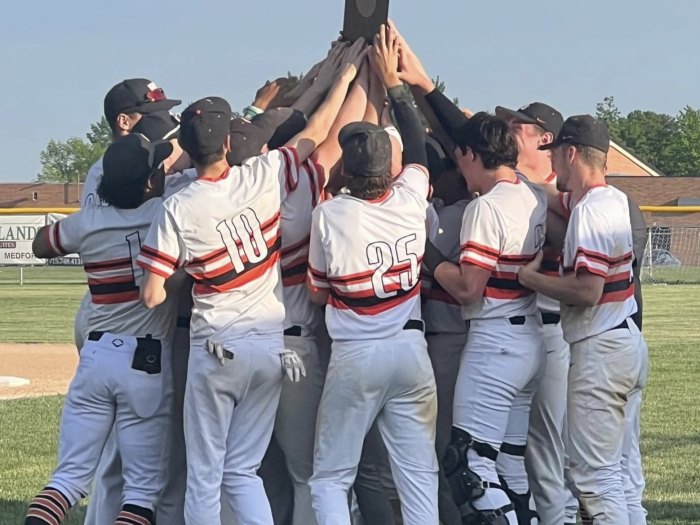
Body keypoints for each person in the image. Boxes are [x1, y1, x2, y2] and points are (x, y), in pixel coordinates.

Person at [137, 40, 365, 525]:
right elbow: (318, 129)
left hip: (216, 346)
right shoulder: (262, 175)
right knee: (243, 471)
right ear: (225, 145)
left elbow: (152, 293)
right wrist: (344, 78)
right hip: (269, 347)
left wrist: (195, 269)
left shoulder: (177, 203)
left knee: (207, 474)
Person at [307, 25, 439, 525]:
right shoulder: (409, 198)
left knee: (329, 477)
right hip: (410, 350)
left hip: (357, 354)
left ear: (349, 170)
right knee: (417, 473)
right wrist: (394, 85)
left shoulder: (331, 215)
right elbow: (420, 155)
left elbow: (318, 291)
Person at [25, 133, 187, 525]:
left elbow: (40, 245)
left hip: (96, 358)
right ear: (149, 182)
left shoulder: (89, 223)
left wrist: (90, 224)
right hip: (146, 360)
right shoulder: (168, 215)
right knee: (141, 494)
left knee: (66, 480)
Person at [517, 115, 646, 525]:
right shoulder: (608, 200)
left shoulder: (591, 210)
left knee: (596, 478)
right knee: (621, 476)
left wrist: (532, 278)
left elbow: (587, 291)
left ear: (571, 152)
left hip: (601, 347)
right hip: (624, 342)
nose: (551, 160)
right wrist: (514, 174)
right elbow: (553, 197)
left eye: (554, 153)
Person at [497, 101, 579, 524]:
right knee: (519, 449)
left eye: (519, 125)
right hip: (516, 334)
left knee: (549, 448)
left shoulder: (564, 189)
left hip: (552, 328)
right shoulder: (513, 185)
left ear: (546, 138)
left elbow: (568, 242)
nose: (510, 129)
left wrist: (536, 190)